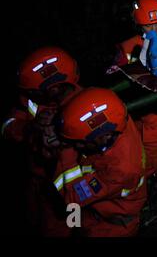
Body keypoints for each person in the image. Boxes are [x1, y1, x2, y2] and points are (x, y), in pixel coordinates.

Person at [2, 46, 83, 236]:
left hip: (69, 184)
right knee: (34, 221)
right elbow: (8, 126)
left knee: (69, 224)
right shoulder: (30, 101)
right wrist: (30, 128)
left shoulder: (84, 101)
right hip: (37, 179)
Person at [54, 87, 147, 237]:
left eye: (80, 142)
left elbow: (71, 197)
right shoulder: (115, 117)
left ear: (104, 137)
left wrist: (65, 150)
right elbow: (85, 106)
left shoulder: (119, 170)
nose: (78, 146)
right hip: (93, 213)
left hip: (108, 228)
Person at [114, 0, 157, 180]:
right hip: (141, 112)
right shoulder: (128, 48)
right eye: (148, 25)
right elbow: (113, 79)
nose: (155, 29)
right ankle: (151, 183)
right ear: (138, 24)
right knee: (148, 154)